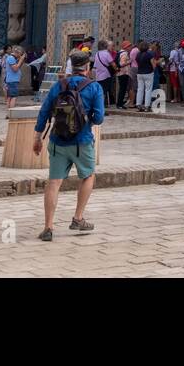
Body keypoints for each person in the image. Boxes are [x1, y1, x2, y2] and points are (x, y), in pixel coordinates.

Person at [33, 50, 105, 242]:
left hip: (58, 140)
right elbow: (98, 118)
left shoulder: (59, 85)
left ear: (71, 67)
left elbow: (44, 112)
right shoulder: (94, 87)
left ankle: (48, 227)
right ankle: (78, 218)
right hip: (82, 142)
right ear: (87, 67)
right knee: (88, 176)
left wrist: (38, 137)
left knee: (54, 182)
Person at [3, 48, 24, 115]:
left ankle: (8, 113)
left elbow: (18, 67)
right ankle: (11, 114)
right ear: (17, 52)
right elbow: (15, 69)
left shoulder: (12, 59)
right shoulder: (11, 58)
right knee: (13, 97)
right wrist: (20, 59)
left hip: (11, 80)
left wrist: (21, 60)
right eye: (20, 54)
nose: (20, 56)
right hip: (12, 81)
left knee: (9, 97)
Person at [135, 40, 155, 112]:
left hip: (139, 73)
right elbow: (153, 64)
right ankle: (147, 106)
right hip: (148, 73)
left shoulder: (138, 54)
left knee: (140, 89)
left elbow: (137, 63)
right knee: (148, 90)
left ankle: (138, 105)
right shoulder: (149, 54)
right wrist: (153, 69)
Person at [94, 40, 115, 105]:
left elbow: (95, 66)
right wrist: (117, 69)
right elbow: (113, 64)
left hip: (98, 76)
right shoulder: (106, 54)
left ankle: (100, 106)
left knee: (100, 92)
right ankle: (101, 107)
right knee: (104, 92)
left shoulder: (97, 54)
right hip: (106, 76)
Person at [116, 41, 133, 109]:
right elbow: (121, 64)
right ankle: (119, 104)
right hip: (123, 73)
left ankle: (119, 103)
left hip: (120, 73)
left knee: (122, 89)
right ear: (126, 47)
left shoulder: (120, 52)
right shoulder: (124, 53)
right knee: (122, 89)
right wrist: (129, 61)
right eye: (129, 46)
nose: (130, 48)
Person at [167, 40, 184, 105]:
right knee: (178, 84)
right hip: (180, 69)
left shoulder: (173, 52)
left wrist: (167, 64)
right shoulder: (181, 52)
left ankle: (175, 98)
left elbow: (171, 60)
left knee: (174, 84)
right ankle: (179, 98)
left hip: (173, 69)